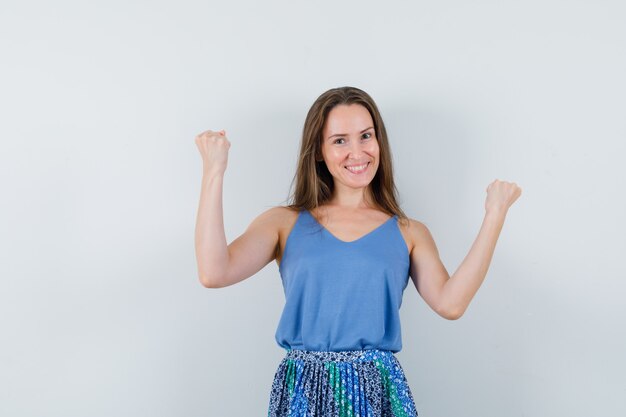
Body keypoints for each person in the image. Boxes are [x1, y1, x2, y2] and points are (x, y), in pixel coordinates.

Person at [194, 86, 522, 416]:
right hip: (303, 392)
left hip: (377, 389)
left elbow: (451, 303)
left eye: (365, 136)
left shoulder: (409, 232)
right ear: (319, 151)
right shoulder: (283, 222)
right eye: (340, 140)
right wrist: (214, 171)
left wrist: (494, 216)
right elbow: (214, 272)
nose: (357, 151)